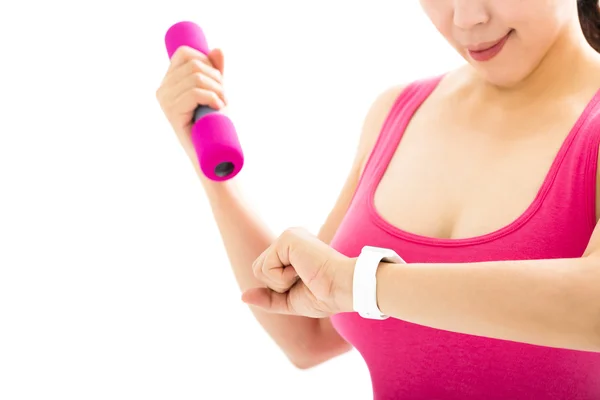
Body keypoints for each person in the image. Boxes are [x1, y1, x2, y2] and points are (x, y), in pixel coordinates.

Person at [155, 1, 600, 399]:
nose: (467, 18)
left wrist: (361, 284)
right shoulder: (398, 112)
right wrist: (208, 165)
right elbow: (308, 332)